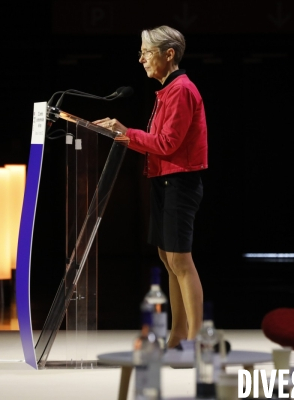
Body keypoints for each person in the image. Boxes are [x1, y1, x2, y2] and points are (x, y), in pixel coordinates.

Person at [93, 25, 208, 349]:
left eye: (147, 51)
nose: (141, 57)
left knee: (181, 262)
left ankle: (198, 340)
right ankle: (176, 336)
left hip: (180, 182)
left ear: (168, 54)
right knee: (169, 261)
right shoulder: (168, 90)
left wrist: (125, 132)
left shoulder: (182, 90)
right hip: (164, 181)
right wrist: (124, 133)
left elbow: (168, 143)